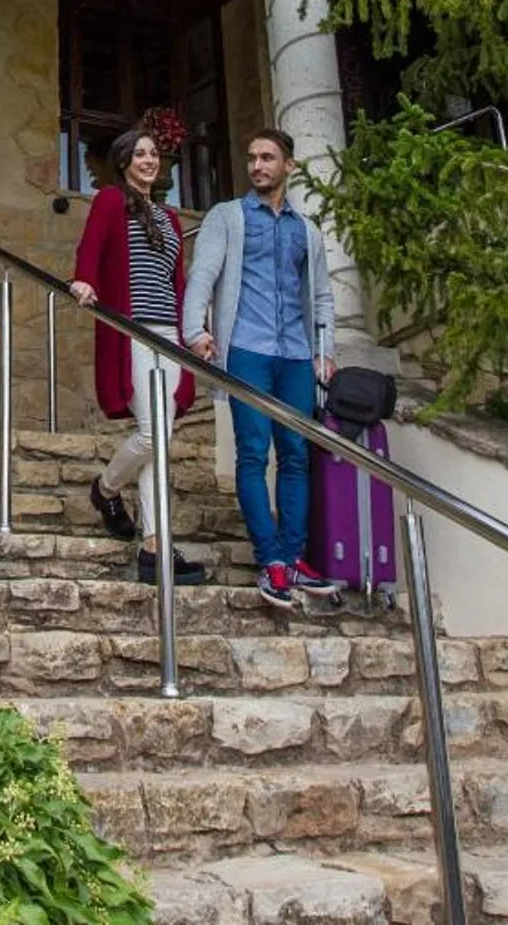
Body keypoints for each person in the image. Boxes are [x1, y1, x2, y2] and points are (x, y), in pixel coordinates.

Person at [181, 127, 338, 608]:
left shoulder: (306, 232)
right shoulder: (227, 217)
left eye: (268, 158)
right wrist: (195, 331)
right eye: (252, 158)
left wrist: (325, 349)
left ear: (288, 166)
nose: (257, 166)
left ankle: (294, 557)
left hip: (294, 354)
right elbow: (202, 274)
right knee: (253, 452)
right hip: (246, 349)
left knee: (295, 453)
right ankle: (270, 559)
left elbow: (321, 296)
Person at [67, 126, 207, 586]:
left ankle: (154, 547)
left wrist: (194, 334)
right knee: (153, 434)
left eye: (154, 154)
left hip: (169, 335)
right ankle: (106, 490)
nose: (148, 160)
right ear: (125, 160)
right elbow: (91, 247)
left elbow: (177, 283)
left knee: (159, 440)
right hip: (133, 329)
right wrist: (83, 280)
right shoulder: (110, 200)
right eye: (140, 154)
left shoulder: (168, 217)